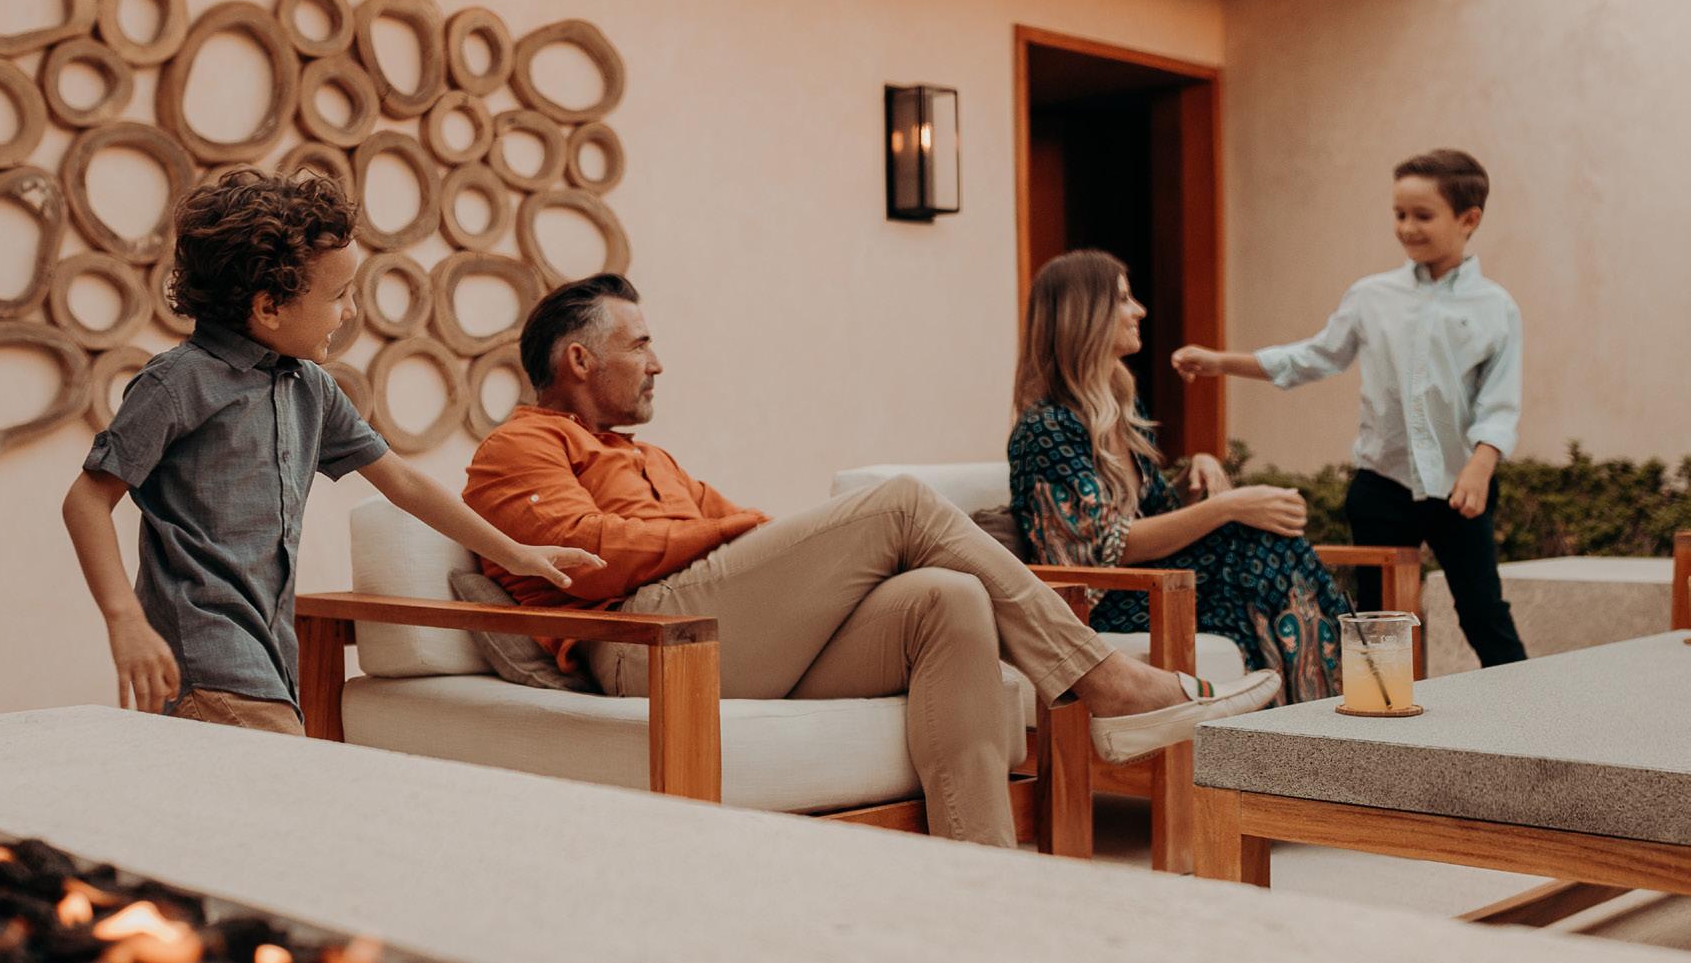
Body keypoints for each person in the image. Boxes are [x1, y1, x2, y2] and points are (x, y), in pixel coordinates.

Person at [461, 273, 1280, 848]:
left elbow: (742, 539)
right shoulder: (517, 447)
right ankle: (1108, 684)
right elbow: (583, 559)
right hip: (645, 648)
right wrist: (735, 532)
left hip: (721, 634)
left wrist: (751, 536)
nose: (657, 362)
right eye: (640, 345)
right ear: (579, 360)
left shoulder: (651, 459)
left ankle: (983, 875)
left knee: (945, 598)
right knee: (899, 502)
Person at [61, 171, 598, 735]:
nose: (350, 312)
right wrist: (124, 620)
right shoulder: (178, 382)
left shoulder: (310, 388)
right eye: (339, 295)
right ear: (269, 306)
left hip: (270, 660)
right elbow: (87, 501)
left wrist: (516, 554)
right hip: (205, 656)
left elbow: (402, 482)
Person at [1173, 148, 1527, 667]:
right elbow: (1315, 357)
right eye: (1399, 214)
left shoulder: (1497, 308)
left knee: (1483, 613)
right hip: (1381, 485)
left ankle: (1529, 710)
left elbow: (1500, 402)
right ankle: (1384, 715)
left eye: (1422, 215)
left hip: (1461, 488)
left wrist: (1482, 464)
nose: (1406, 228)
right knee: (1378, 622)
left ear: (1468, 219)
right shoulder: (1371, 296)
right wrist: (1222, 362)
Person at [1009, 250, 1349, 704]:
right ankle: (1330, 705)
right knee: (1260, 545)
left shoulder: (1120, 411)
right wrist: (1228, 506)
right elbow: (1108, 547)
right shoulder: (1047, 428)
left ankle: (1308, 714)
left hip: (1159, 586)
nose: (1139, 310)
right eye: (1123, 299)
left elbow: (1152, 515)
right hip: (1105, 604)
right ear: (1085, 316)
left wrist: (1196, 470)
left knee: (1266, 551)